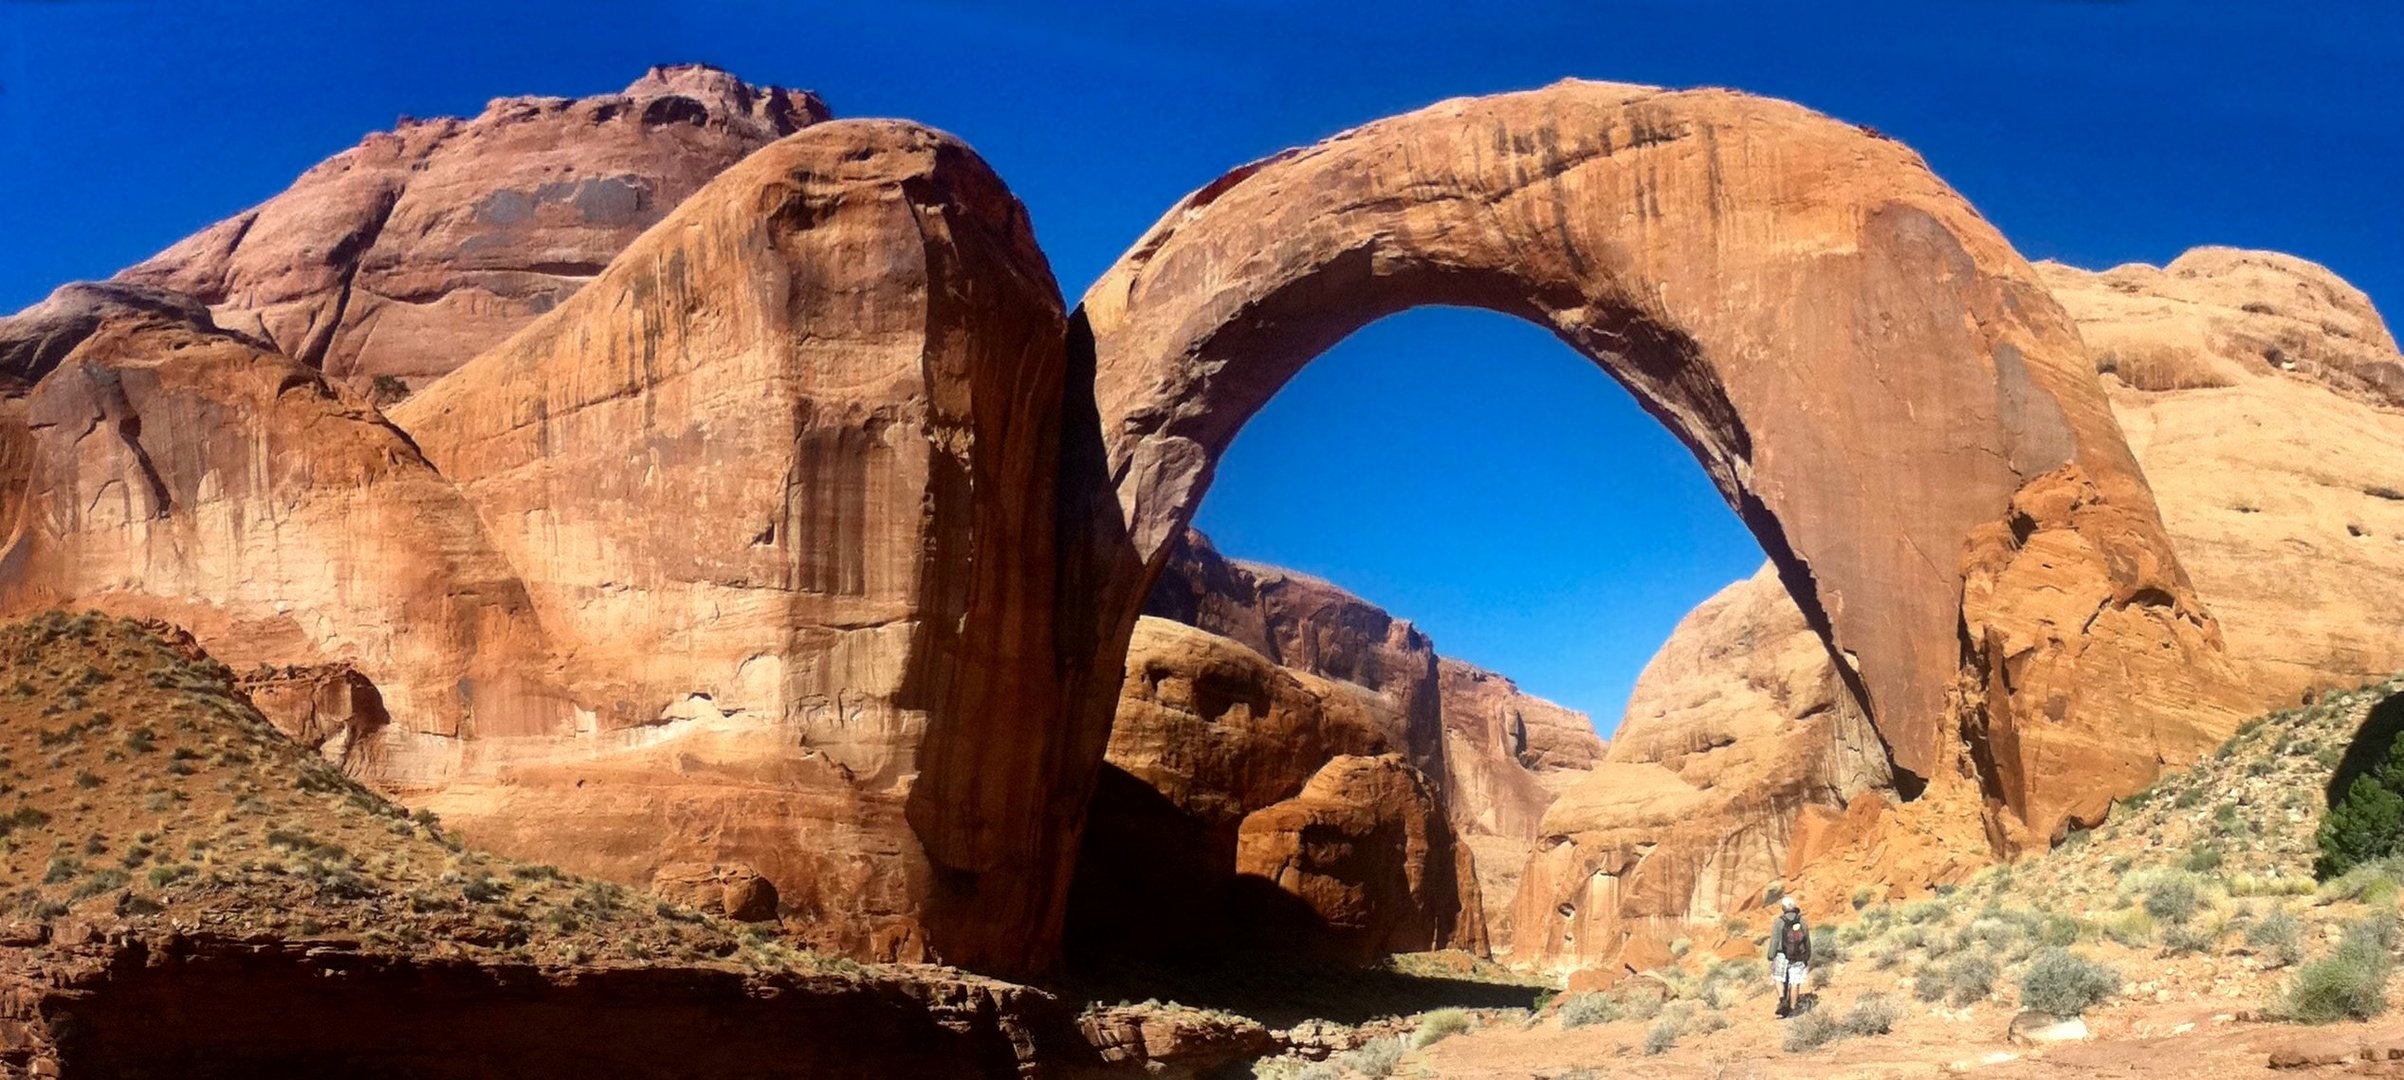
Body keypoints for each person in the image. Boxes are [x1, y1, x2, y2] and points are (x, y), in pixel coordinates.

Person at [1768, 894, 1811, 1018]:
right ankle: (1793, 1009)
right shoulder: (1802, 921)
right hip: (1798, 955)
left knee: (1778, 978)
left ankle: (1782, 1000)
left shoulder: (1779, 922)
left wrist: (1771, 956)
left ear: (1783, 908)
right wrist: (1807, 955)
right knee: (1795, 982)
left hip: (1782, 955)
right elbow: (1807, 940)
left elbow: (1774, 941)